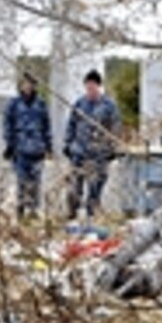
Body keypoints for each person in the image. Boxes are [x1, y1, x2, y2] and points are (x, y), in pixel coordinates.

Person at [64, 69, 120, 219]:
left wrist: (113, 148)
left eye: (92, 86)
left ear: (98, 86)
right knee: (74, 187)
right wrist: (68, 144)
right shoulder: (79, 104)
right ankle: (72, 214)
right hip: (79, 153)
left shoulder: (109, 106)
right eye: (87, 86)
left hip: (99, 154)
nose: (90, 89)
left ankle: (92, 216)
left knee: (95, 189)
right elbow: (71, 125)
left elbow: (115, 128)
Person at [3, 73, 52, 219]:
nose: (28, 86)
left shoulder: (41, 104)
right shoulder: (13, 104)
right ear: (21, 85)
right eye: (25, 84)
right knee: (21, 181)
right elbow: (7, 125)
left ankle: (34, 210)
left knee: (36, 182)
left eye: (30, 84)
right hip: (20, 149)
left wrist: (49, 146)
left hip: (37, 149)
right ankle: (21, 209)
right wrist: (9, 144)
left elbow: (46, 126)